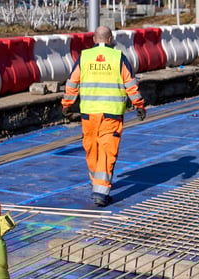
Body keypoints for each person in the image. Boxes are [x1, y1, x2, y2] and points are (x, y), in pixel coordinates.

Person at [61, 26, 146, 208]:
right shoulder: (118, 58)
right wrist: (139, 105)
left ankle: (97, 185)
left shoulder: (84, 57)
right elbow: (131, 84)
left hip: (89, 114)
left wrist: (66, 105)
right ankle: (100, 191)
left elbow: (72, 82)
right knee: (107, 151)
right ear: (110, 40)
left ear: (94, 39)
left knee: (92, 149)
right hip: (111, 114)